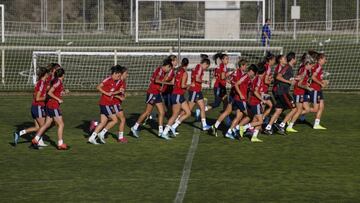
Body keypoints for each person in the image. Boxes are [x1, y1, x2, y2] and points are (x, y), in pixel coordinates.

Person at [130, 58, 173, 139]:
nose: (169, 70)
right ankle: (134, 127)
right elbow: (156, 80)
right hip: (152, 93)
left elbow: (158, 81)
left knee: (162, 112)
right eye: (169, 68)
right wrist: (168, 83)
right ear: (167, 66)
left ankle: (161, 132)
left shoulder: (163, 72)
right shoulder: (160, 70)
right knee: (147, 112)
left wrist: (162, 86)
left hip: (156, 93)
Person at [31, 68, 68, 150]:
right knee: (61, 124)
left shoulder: (56, 81)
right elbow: (50, 92)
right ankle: (60, 144)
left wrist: (62, 93)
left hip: (49, 105)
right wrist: (58, 99)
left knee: (47, 124)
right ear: (63, 75)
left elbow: (54, 91)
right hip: (53, 105)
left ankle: (36, 139)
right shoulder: (58, 81)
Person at [210, 58, 248, 137]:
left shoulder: (235, 72)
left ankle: (215, 126)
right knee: (240, 115)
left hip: (232, 95)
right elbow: (234, 83)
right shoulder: (239, 73)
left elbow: (228, 79)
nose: (246, 67)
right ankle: (232, 130)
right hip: (237, 97)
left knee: (228, 112)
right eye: (245, 66)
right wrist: (235, 85)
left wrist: (232, 83)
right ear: (242, 66)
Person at [14, 67, 49, 146]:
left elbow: (35, 94)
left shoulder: (40, 82)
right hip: (38, 107)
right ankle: (38, 142)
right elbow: (37, 98)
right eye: (47, 74)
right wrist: (47, 98)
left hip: (34, 107)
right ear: (45, 74)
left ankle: (19, 133)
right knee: (43, 126)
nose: (48, 75)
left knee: (37, 127)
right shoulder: (41, 83)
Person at [264, 52, 297, 135]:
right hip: (282, 91)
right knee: (294, 108)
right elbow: (278, 77)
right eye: (295, 58)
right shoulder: (287, 67)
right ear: (292, 59)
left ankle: (268, 127)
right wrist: (289, 82)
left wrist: (295, 79)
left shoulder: (287, 67)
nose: (296, 60)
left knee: (279, 110)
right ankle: (282, 125)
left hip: (281, 91)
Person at [88, 65, 123, 145]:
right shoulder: (108, 80)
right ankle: (102, 134)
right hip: (105, 104)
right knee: (115, 120)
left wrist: (118, 92)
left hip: (106, 104)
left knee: (103, 122)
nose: (119, 77)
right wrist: (106, 93)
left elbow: (111, 93)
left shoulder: (116, 82)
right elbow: (98, 87)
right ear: (114, 73)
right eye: (118, 75)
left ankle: (92, 138)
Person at [225, 64, 257, 140]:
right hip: (240, 100)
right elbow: (236, 84)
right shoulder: (246, 76)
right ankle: (237, 128)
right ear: (251, 71)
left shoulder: (248, 77)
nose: (254, 74)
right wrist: (241, 94)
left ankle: (229, 132)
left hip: (239, 99)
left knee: (238, 116)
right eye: (254, 73)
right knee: (250, 115)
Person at [162, 58, 192, 137]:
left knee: (188, 112)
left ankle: (173, 127)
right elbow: (182, 85)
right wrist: (190, 85)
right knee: (175, 114)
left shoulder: (177, 70)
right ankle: (164, 132)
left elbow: (172, 82)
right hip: (177, 95)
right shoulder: (185, 73)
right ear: (187, 64)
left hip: (178, 95)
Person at [287, 53, 314, 132]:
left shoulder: (303, 68)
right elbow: (299, 84)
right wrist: (308, 88)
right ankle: (290, 125)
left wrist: (306, 83)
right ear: (308, 64)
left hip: (301, 92)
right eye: (311, 66)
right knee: (298, 110)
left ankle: (289, 119)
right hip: (298, 92)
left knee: (307, 109)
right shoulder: (304, 71)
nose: (312, 68)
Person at [309, 53, 329, 129]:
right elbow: (313, 77)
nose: (325, 61)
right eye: (324, 59)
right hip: (315, 90)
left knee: (321, 107)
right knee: (315, 109)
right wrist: (321, 83)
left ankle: (316, 124)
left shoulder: (319, 66)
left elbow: (316, 77)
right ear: (320, 59)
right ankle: (294, 115)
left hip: (318, 89)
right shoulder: (318, 67)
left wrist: (323, 81)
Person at [112, 66, 129, 143]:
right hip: (114, 103)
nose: (127, 75)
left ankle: (95, 123)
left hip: (116, 103)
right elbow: (111, 93)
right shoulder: (118, 82)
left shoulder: (123, 82)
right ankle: (121, 137)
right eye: (126, 73)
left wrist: (123, 95)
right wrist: (119, 96)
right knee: (122, 119)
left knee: (110, 119)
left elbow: (121, 92)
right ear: (121, 74)